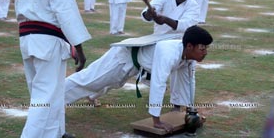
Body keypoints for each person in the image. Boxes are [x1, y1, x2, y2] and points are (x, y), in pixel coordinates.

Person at [65, 25, 213, 132]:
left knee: (112, 83)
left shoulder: (189, 57)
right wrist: (156, 120)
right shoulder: (169, 53)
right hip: (122, 57)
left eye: (206, 48)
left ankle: (91, 96)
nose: (205, 52)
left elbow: (188, 81)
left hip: (136, 65)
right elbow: (158, 83)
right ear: (189, 46)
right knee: (89, 80)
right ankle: (52, 98)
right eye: (202, 48)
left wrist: (190, 111)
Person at [14, 0, 91, 137]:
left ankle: (56, 133)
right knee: (44, 98)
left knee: (50, 93)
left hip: (27, 38)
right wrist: (79, 49)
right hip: (47, 41)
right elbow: (66, 12)